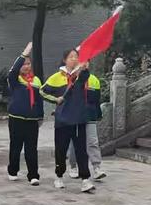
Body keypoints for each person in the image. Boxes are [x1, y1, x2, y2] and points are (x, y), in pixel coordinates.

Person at [40, 49, 95, 193]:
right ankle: (58, 176)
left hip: (78, 119)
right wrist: (55, 99)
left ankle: (85, 180)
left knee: (81, 151)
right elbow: (42, 91)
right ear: (65, 60)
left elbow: (84, 77)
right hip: (62, 120)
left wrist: (84, 68)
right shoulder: (56, 77)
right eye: (71, 57)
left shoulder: (80, 76)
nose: (74, 59)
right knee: (61, 150)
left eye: (76, 57)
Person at [7, 42, 44, 186]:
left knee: (31, 148)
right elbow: (13, 70)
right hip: (16, 118)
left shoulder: (36, 80)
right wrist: (24, 53)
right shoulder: (15, 80)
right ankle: (13, 170)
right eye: (24, 64)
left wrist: (40, 116)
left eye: (28, 64)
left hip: (32, 119)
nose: (26, 66)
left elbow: (39, 100)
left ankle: (33, 175)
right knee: (16, 146)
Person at [68, 72, 107, 180]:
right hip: (75, 116)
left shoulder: (94, 80)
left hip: (90, 115)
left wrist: (98, 114)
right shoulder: (71, 77)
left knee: (93, 142)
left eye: (86, 62)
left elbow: (96, 100)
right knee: (75, 142)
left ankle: (96, 168)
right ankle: (73, 166)